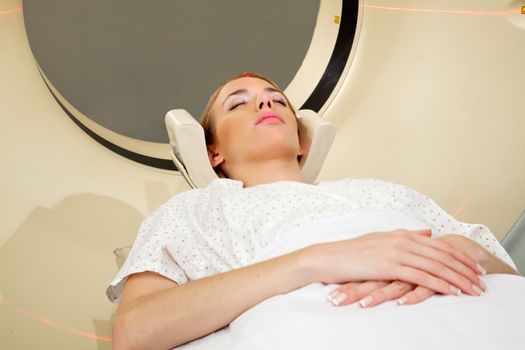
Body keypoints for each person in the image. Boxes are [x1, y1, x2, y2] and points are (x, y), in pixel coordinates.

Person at [108, 72, 518, 350]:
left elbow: (506, 272)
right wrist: (318, 259)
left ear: (303, 143)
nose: (265, 104)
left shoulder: (384, 191)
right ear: (212, 151)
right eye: (238, 104)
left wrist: (455, 249)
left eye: (277, 101)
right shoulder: (195, 210)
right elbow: (136, 330)